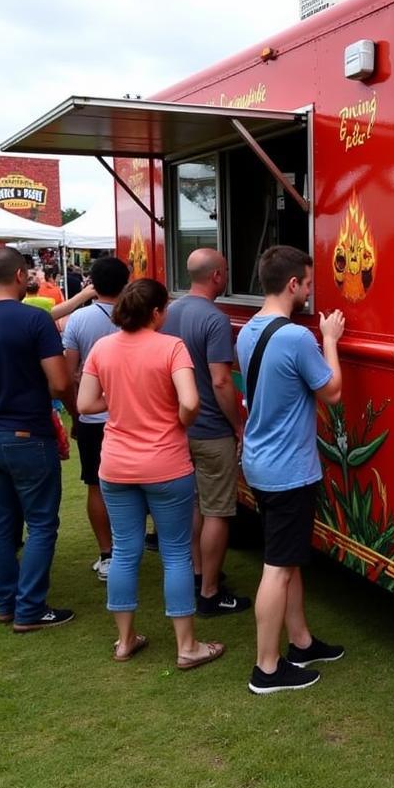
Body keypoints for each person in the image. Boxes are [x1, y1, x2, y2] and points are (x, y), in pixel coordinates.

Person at [78, 278, 224, 669]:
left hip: (116, 464)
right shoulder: (170, 347)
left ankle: (125, 640)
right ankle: (187, 646)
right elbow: (191, 401)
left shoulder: (102, 348)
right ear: (157, 312)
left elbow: (85, 403)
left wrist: (121, 398)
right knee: (176, 553)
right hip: (166, 463)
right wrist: (178, 418)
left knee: (125, 551)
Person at [236, 245, 345, 694]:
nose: (310, 290)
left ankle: (300, 643)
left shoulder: (249, 331)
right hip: (288, 471)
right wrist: (331, 339)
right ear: (293, 285)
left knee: (289, 560)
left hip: (261, 463)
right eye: (307, 281)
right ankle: (266, 667)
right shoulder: (297, 338)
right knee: (277, 568)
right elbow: (332, 391)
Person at [0, 246, 76, 631]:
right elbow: (58, 383)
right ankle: (30, 608)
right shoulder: (33, 320)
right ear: (21, 276)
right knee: (40, 523)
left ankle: (7, 602)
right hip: (27, 433)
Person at [161, 248, 250, 617]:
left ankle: (200, 574)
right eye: (226, 271)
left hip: (180, 428)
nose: (227, 277)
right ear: (216, 276)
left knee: (195, 504)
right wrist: (238, 425)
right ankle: (211, 594)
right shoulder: (215, 319)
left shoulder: (169, 312)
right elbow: (220, 381)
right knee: (218, 511)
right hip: (212, 430)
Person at [63, 256, 130, 580]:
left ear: (91, 285)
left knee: (96, 485)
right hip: (132, 414)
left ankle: (108, 555)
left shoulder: (79, 320)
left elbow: (70, 370)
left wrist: (77, 411)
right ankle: (136, 549)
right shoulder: (138, 317)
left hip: (93, 415)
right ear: (126, 283)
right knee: (139, 483)